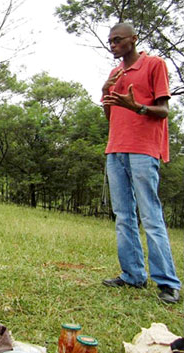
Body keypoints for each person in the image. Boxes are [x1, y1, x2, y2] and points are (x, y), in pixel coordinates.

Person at [101, 23, 180, 304]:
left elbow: (163, 110)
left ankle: (168, 283)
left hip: (143, 150)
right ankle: (133, 275)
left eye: (118, 40)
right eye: (110, 41)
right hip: (116, 149)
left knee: (150, 214)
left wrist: (138, 107)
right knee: (123, 216)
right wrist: (105, 92)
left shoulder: (154, 64)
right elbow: (110, 117)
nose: (113, 45)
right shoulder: (115, 74)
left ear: (134, 39)